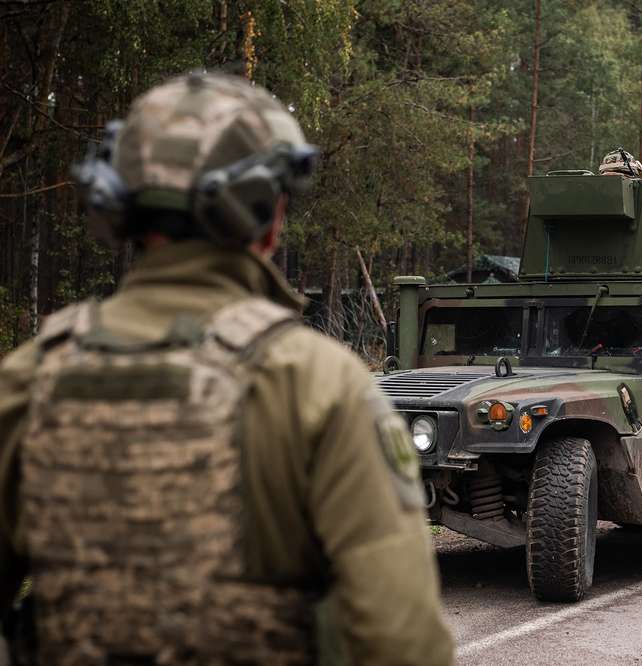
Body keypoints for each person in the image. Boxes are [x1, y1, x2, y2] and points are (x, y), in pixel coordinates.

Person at [0, 73, 454, 665]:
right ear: (271, 216)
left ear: (118, 208)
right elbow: (401, 641)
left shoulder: (29, 378)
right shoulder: (318, 385)